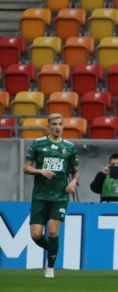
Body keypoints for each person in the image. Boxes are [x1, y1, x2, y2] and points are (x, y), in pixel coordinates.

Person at [23, 113, 81, 278]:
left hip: (59, 196)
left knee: (53, 231)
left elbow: (77, 170)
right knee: (35, 235)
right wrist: (39, 170)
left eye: (60, 124)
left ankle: (50, 268)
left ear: (63, 126)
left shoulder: (69, 147)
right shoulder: (38, 144)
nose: (57, 127)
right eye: (54, 124)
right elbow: (26, 168)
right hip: (40, 196)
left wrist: (73, 182)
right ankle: (52, 249)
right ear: (48, 126)